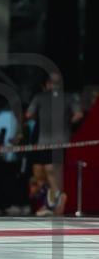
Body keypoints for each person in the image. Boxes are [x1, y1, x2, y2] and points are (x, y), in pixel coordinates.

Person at [25, 72, 83, 216]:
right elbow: (79, 114)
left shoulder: (40, 97)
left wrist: (40, 117)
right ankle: (53, 203)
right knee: (56, 171)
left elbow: (28, 115)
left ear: (47, 84)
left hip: (45, 140)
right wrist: (67, 124)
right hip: (62, 140)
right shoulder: (69, 97)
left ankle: (57, 197)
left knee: (48, 170)